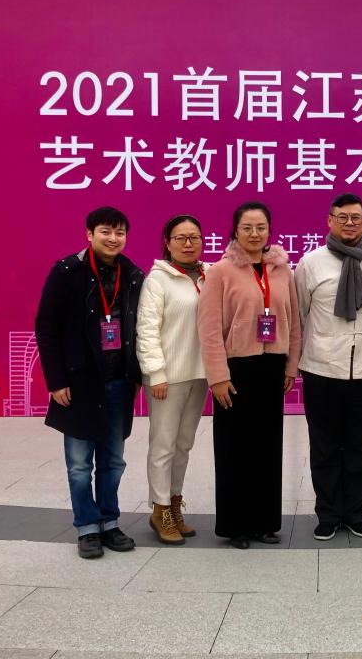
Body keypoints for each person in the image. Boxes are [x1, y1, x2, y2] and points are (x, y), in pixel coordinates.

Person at [35, 207, 143, 559]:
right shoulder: (66, 272)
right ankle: (86, 527)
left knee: (113, 461)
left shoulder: (132, 275)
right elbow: (46, 328)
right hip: (79, 383)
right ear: (89, 234)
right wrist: (56, 380)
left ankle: (109, 522)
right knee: (80, 464)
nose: (113, 238)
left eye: (120, 232)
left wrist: (136, 376)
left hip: (118, 383)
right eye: (106, 231)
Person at [197, 202, 301, 549]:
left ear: (269, 230)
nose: (255, 234)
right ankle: (236, 526)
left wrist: (291, 366)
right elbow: (209, 328)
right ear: (235, 231)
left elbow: (294, 323)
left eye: (261, 227)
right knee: (235, 449)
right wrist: (217, 376)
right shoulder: (220, 271)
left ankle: (264, 523)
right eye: (247, 227)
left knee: (267, 448)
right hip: (235, 371)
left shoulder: (282, 270)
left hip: (272, 368)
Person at [295, 193, 362, 540]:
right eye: (342, 217)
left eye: (356, 218)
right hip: (321, 370)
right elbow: (299, 316)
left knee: (360, 449)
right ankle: (327, 514)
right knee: (323, 448)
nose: (349, 223)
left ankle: (355, 512)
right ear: (329, 220)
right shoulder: (310, 263)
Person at [136, 214, 209, 545]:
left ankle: (175, 503)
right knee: (163, 445)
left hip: (200, 375)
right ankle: (160, 509)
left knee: (183, 445)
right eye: (181, 238)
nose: (188, 243)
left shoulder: (209, 275)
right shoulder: (158, 279)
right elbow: (147, 329)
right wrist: (156, 373)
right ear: (167, 242)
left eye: (194, 237)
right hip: (167, 378)